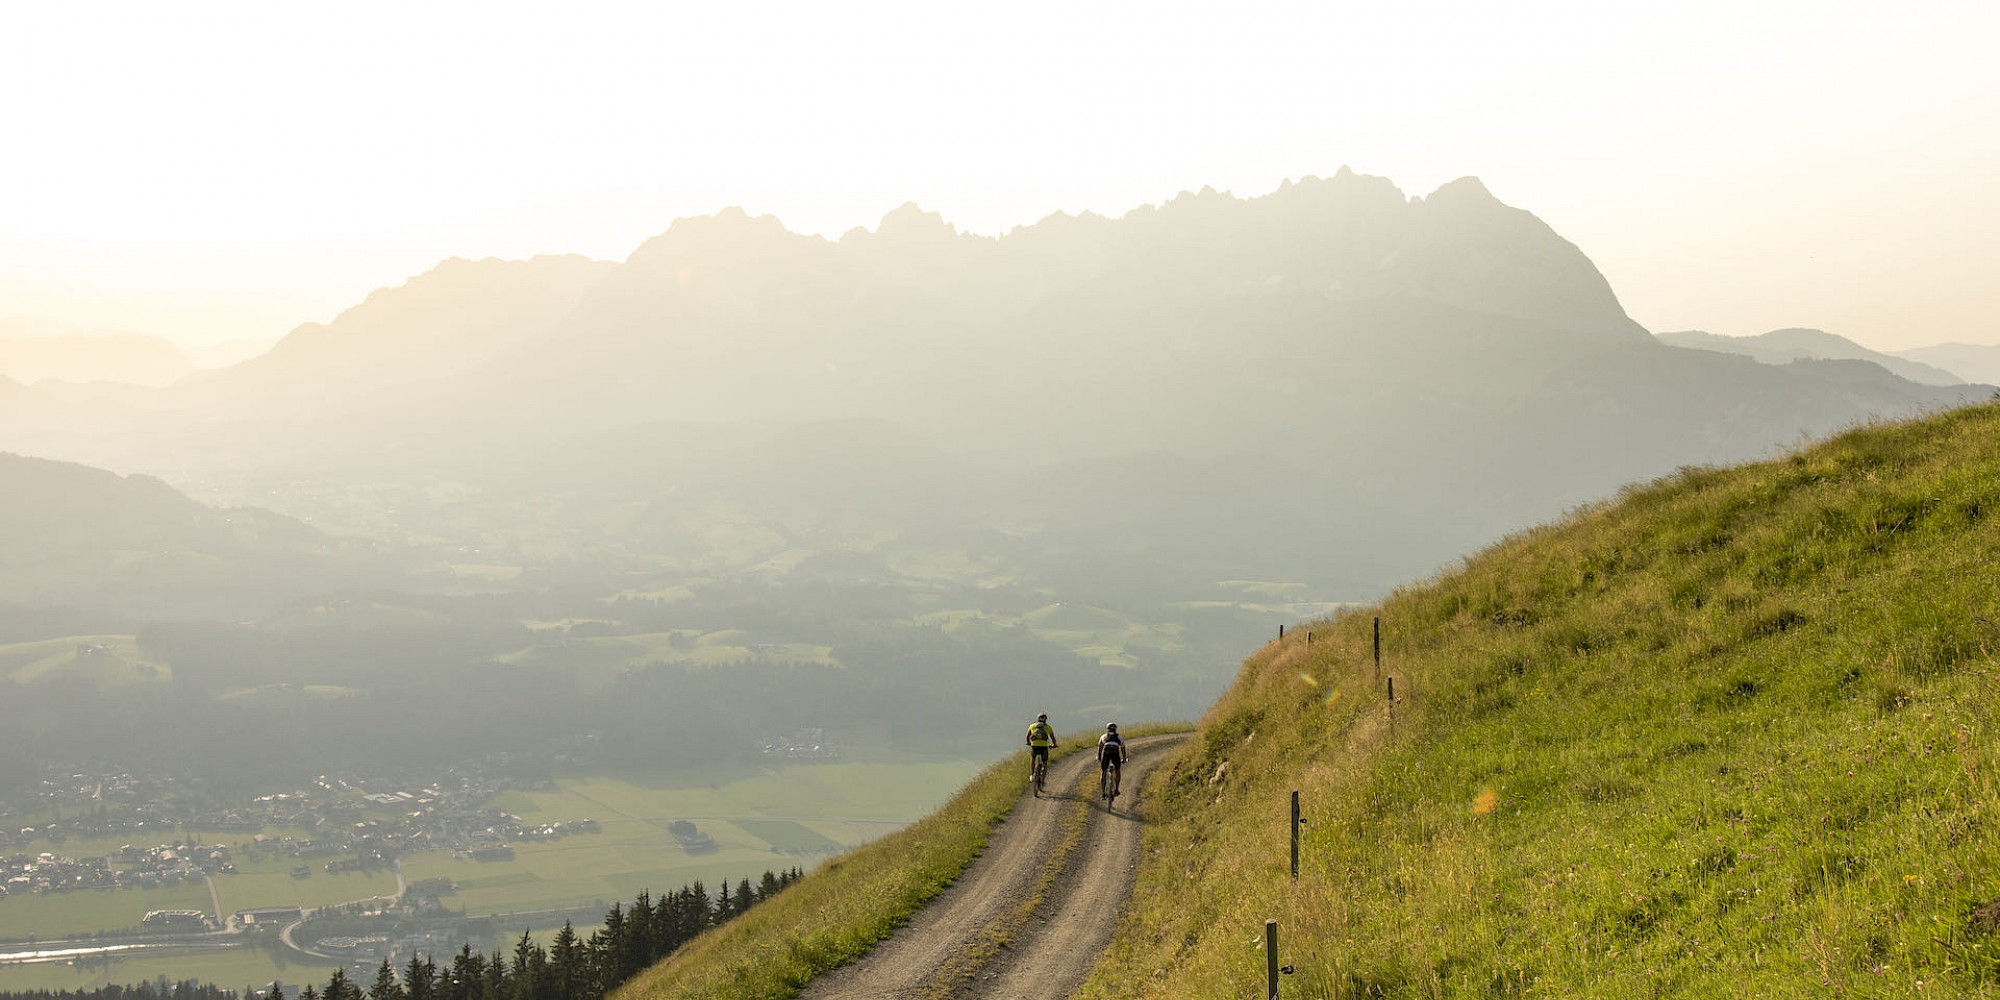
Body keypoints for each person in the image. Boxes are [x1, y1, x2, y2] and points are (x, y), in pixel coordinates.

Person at [1025, 713, 1057, 783]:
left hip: (1034, 745)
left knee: (1033, 758)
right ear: (1045, 720)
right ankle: (1043, 779)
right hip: (1044, 746)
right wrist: (1054, 744)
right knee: (1045, 762)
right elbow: (1053, 738)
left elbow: (1027, 736)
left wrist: (1028, 742)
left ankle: (1032, 774)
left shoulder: (1032, 726)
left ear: (1037, 719)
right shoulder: (1048, 727)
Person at [1097, 722, 1126, 795]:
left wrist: (1099, 757)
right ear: (1115, 729)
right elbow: (1123, 748)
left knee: (1103, 771)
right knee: (1117, 770)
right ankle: (1116, 789)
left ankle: (1103, 793)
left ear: (1107, 729)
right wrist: (1124, 758)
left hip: (1106, 752)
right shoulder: (1119, 737)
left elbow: (1100, 748)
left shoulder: (1103, 736)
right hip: (1115, 752)